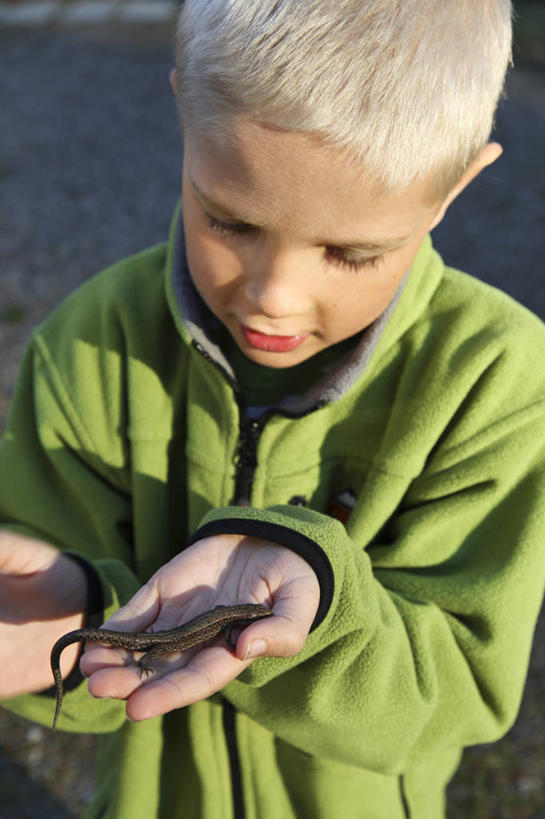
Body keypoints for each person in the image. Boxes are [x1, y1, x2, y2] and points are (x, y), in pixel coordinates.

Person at [1, 1, 544, 817]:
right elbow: (87, 664)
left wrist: (325, 608)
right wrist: (67, 610)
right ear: (182, 110)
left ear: (456, 184)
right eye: (229, 220)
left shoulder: (494, 380)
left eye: (351, 252)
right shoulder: (86, 342)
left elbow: (459, 689)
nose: (274, 298)